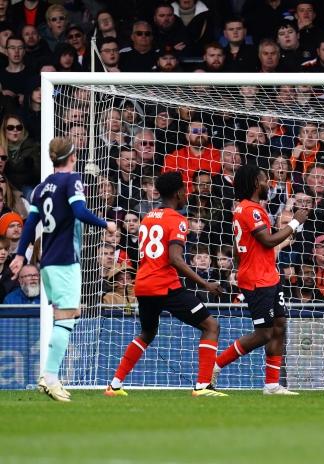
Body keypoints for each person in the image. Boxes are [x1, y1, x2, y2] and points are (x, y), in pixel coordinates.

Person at [9, 137, 116, 402]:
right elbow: (79, 211)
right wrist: (107, 225)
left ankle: (50, 376)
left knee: (67, 315)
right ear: (73, 156)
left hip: (47, 261)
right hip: (65, 260)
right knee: (67, 318)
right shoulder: (72, 180)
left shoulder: (42, 187)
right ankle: (50, 377)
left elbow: (31, 222)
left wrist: (21, 255)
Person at [104, 172, 224, 397]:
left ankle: (115, 384)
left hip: (143, 285)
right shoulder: (178, 219)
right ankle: (203, 386)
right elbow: (175, 259)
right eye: (185, 190)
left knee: (147, 333)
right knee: (211, 326)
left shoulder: (148, 216)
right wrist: (205, 283)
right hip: (165, 286)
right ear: (178, 193)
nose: (187, 193)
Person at [212, 165, 308, 395]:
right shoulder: (249, 210)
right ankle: (215, 365)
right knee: (264, 333)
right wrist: (294, 222)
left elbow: (243, 247)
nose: (269, 183)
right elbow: (267, 240)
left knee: (279, 326)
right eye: (265, 180)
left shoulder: (249, 208)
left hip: (269, 276)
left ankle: (272, 384)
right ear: (256, 183)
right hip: (257, 280)